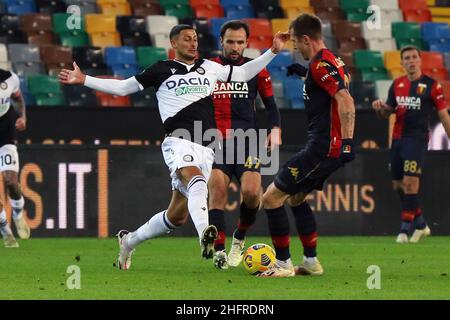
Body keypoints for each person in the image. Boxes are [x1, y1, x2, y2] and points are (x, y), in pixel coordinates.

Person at [59, 24, 289, 270]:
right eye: (187, 39)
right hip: (178, 140)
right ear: (173, 43)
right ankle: (205, 234)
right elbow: (125, 87)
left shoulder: (209, 68)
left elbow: (243, 74)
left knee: (176, 216)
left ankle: (129, 240)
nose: (193, 43)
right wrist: (84, 79)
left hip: (207, 147)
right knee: (198, 181)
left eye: (195, 39)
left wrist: (272, 52)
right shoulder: (161, 69)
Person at [257, 13, 356, 277]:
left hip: (323, 147)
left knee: (271, 198)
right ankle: (311, 262)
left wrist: (347, 141)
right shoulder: (332, 60)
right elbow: (330, 88)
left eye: (296, 45)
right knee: (297, 197)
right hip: (326, 145)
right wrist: (305, 74)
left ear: (305, 39)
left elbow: (345, 99)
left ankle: (282, 263)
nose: (295, 50)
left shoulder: (319, 65)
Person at [208, 20, 282, 269]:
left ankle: (239, 238)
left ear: (247, 43)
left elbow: (271, 107)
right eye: (230, 41)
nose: (235, 46)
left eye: (240, 42)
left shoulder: (257, 70)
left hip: (248, 141)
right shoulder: (208, 69)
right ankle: (219, 250)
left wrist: (275, 131)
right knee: (216, 189)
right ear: (221, 41)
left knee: (252, 194)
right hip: (215, 140)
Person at [372, 45, 450, 243]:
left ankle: (404, 230)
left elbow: (443, 116)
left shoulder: (433, 86)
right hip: (397, 139)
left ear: (420, 60)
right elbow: (387, 112)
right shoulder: (397, 84)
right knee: (398, 185)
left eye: (414, 57)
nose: (411, 61)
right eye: (406, 58)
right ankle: (422, 224)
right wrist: (380, 108)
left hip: (416, 140)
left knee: (410, 182)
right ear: (402, 63)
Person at [0, 68, 31, 248]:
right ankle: (6, 232)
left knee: (11, 181)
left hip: (5, 130)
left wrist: (23, 117)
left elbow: (18, 99)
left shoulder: (10, 79)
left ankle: (18, 213)